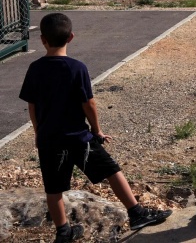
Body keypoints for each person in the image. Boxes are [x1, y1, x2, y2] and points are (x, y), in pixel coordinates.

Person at [18, 13, 172, 243]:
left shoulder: (35, 68)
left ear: (42, 40)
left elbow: (31, 104)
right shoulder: (77, 68)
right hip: (79, 138)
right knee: (111, 170)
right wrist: (96, 129)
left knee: (53, 188)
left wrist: (38, 131)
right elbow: (88, 103)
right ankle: (136, 212)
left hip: (50, 140)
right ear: (71, 37)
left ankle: (63, 231)